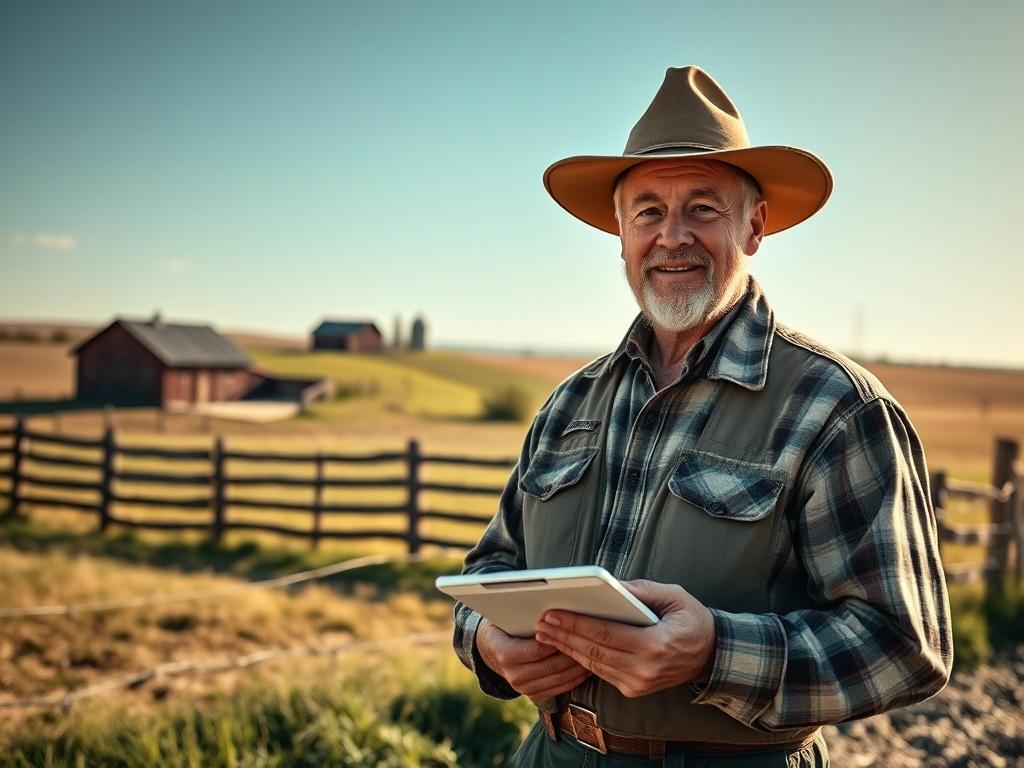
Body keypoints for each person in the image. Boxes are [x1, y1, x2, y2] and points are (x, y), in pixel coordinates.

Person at [451, 66, 952, 767]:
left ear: (756, 226)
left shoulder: (837, 406)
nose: (672, 236)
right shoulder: (569, 403)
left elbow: (905, 647)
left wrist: (716, 651)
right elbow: (492, 568)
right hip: (551, 754)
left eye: (704, 209)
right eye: (648, 211)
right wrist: (485, 640)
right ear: (620, 236)